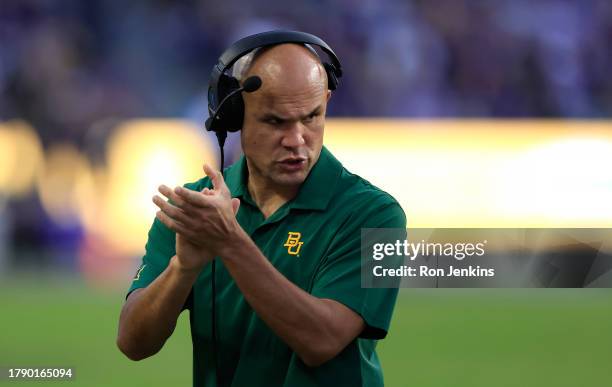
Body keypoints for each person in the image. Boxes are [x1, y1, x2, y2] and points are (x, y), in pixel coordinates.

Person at [117, 32, 406, 387]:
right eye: (275, 122)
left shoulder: (376, 215)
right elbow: (133, 343)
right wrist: (183, 268)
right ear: (234, 117)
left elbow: (322, 340)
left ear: (326, 102)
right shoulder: (195, 210)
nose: (296, 140)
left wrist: (229, 241)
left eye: (311, 117)